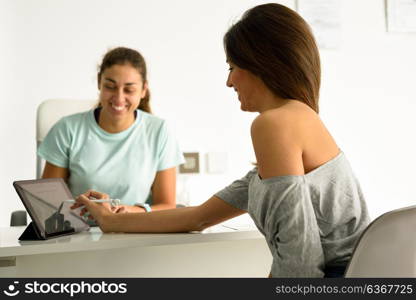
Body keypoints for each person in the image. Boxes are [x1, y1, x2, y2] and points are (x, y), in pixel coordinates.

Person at [72, 4, 370, 277]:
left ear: (260, 63)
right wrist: (113, 220)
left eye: (232, 67)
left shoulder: (274, 123)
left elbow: (301, 263)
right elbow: (199, 217)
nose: (229, 82)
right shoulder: (297, 118)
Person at [38, 47, 184, 214]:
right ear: (99, 82)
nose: (119, 98)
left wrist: (125, 212)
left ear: (143, 90)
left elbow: (166, 206)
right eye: (110, 86)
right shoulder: (67, 129)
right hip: (80, 232)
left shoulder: (159, 131)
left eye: (129, 89)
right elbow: (48, 204)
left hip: (137, 231)